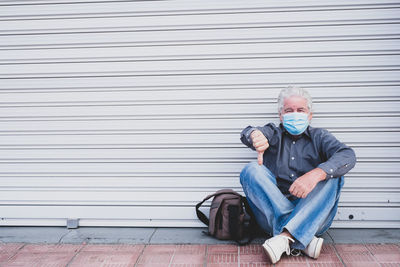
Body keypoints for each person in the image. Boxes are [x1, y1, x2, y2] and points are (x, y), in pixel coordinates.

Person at [239, 86, 356, 264]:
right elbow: (248, 132)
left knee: (333, 175)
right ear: (280, 115)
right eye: (289, 110)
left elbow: (347, 155)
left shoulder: (320, 137)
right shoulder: (274, 133)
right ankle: (301, 238)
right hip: (272, 215)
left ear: (310, 115)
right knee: (251, 170)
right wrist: (254, 134)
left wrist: (316, 174)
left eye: (300, 110)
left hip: (315, 217)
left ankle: (284, 237)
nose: (295, 114)